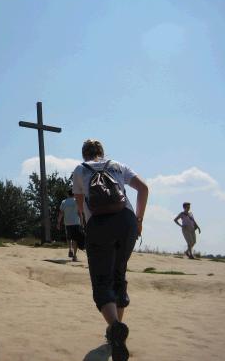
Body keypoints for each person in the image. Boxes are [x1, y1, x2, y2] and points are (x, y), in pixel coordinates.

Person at [72, 139, 148, 361]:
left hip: (99, 224)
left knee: (101, 280)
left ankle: (115, 327)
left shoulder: (80, 169)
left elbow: (80, 206)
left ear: (84, 154)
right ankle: (117, 334)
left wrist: (86, 224)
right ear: (102, 152)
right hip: (126, 221)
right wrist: (139, 219)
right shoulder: (117, 165)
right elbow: (143, 188)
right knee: (119, 273)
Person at [57, 189, 85, 262]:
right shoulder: (77, 201)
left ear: (68, 194)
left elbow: (61, 213)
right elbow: (80, 213)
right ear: (74, 194)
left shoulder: (64, 202)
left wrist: (58, 222)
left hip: (67, 223)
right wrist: (82, 223)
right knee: (75, 239)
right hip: (76, 222)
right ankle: (75, 256)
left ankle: (70, 249)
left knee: (69, 237)